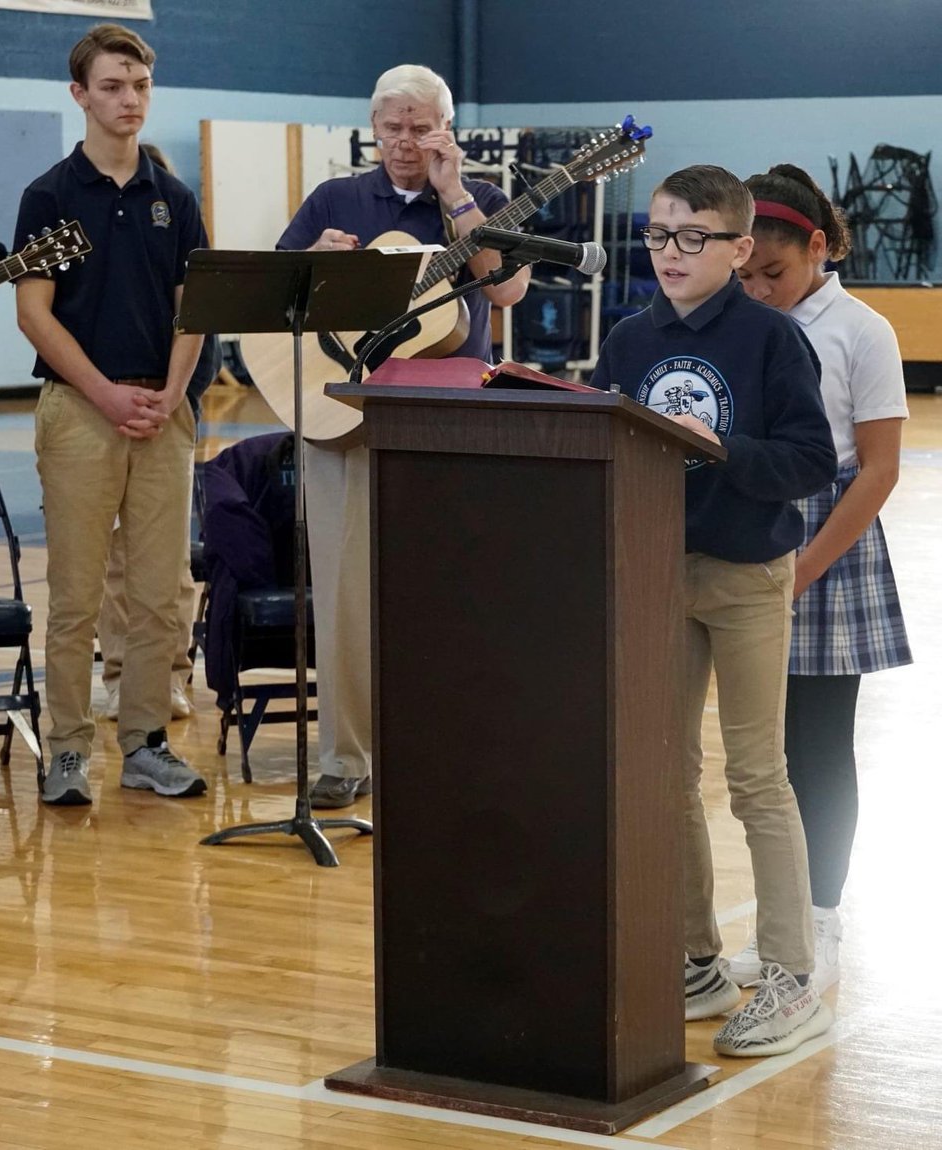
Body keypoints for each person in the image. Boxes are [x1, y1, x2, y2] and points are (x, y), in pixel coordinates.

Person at [590, 164, 838, 1057]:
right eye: (658, 235)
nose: (671, 253)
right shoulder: (627, 340)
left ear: (739, 249)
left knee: (757, 775)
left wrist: (720, 448)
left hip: (747, 576)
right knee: (663, 771)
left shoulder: (773, 340)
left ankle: (788, 976)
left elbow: (810, 460)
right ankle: (695, 957)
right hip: (655, 569)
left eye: (693, 237)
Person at [276, 63, 530, 808]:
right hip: (344, 417)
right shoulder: (336, 197)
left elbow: (506, 285)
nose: (405, 142)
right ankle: (344, 757)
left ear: (446, 129)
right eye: (392, 126)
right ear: (373, 127)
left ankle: (445, 746)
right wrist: (309, 268)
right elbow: (275, 299)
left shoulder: (481, 197)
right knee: (344, 592)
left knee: (453, 590)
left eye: (421, 127)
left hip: (450, 419)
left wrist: (455, 196)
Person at [724, 164, 912, 992]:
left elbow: (876, 471)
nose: (760, 290)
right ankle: (780, 925)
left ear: (820, 247)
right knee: (755, 758)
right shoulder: (730, 323)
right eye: (747, 275)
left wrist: (801, 571)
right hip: (737, 533)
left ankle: (822, 920)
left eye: (777, 273)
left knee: (816, 748)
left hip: (823, 546)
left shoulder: (862, 330)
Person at [14, 23, 207, 806]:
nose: (130, 101)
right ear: (80, 96)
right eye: (113, 87)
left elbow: (196, 310)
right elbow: (34, 314)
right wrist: (102, 392)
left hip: (163, 413)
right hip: (80, 414)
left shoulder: (175, 197)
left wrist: (169, 392)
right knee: (77, 597)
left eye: (140, 87)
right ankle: (65, 749)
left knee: (161, 594)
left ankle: (146, 743)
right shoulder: (50, 197)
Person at [97, 142, 221, 726]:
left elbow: (203, 349)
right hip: (104, 413)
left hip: (167, 416)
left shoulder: (182, 233)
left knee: (169, 567)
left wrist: (169, 404)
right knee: (114, 563)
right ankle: (120, 675)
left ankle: (174, 672)